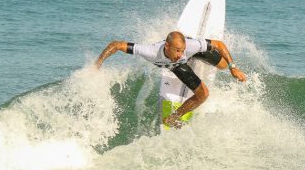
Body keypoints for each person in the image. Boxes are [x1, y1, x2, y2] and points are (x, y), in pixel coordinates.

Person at [95, 31, 246, 128]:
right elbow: (116, 45)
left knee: (223, 65)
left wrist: (233, 67)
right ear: (167, 46)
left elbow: (219, 44)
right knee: (203, 94)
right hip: (176, 66)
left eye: (182, 50)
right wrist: (97, 64)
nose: (181, 54)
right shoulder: (151, 52)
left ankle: (198, 59)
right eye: (177, 50)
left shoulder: (190, 47)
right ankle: (172, 118)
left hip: (194, 52)